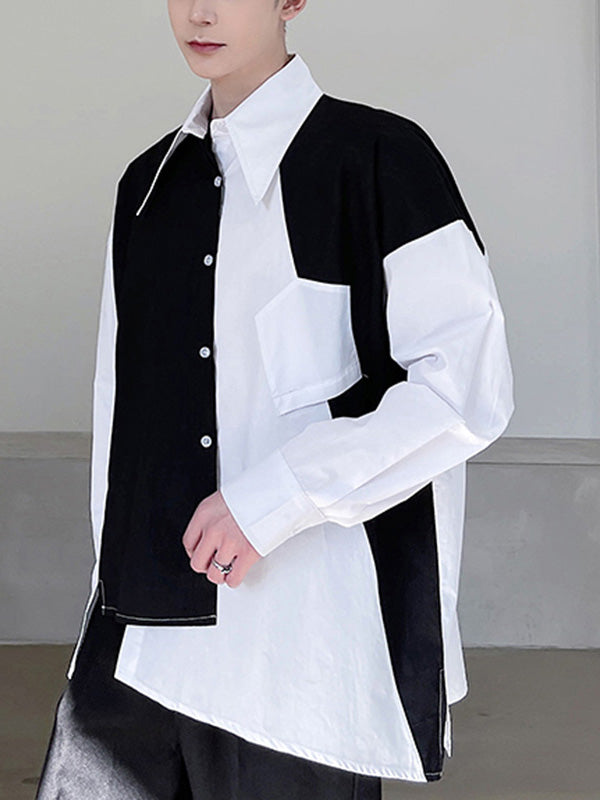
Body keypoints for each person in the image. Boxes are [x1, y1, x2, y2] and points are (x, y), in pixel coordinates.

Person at [35, 0, 515, 798]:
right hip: (138, 639)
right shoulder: (147, 188)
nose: (199, 11)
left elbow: (464, 389)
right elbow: (120, 416)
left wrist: (272, 501)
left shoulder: (381, 159)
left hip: (300, 656)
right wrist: (107, 592)